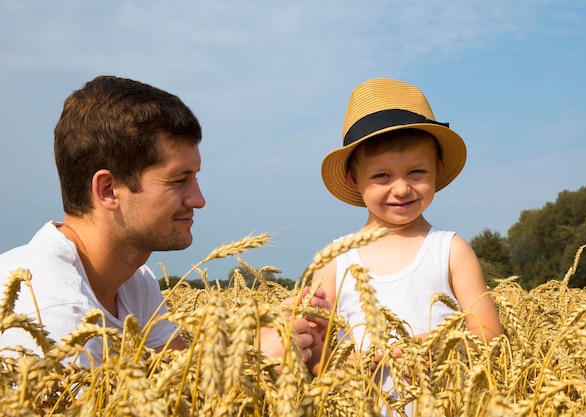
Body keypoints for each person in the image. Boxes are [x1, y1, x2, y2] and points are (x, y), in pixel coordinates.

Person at [0, 75, 326, 369]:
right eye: (178, 180)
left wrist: (263, 332)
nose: (198, 199)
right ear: (108, 189)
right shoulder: (53, 313)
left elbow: (182, 376)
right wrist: (249, 363)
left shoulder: (134, 282)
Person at [311, 78, 503, 413]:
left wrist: (443, 344)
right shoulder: (335, 261)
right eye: (382, 176)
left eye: (416, 172)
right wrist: (351, 364)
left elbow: (490, 334)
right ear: (354, 180)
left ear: (437, 170)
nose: (401, 189)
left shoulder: (451, 250)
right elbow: (315, 352)